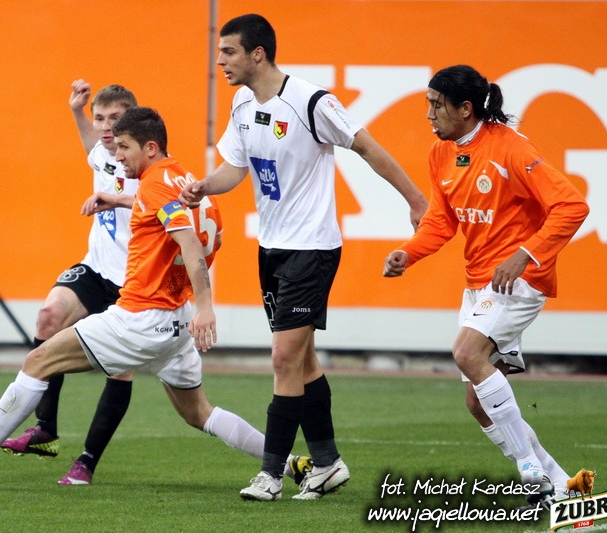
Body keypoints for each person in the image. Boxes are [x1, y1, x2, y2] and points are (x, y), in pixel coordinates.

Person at [0, 106, 310, 488]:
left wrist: (207, 307)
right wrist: (124, 204)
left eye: (124, 146)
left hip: (142, 317)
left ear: (150, 148)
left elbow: (189, 242)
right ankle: (288, 462)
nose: (118, 155)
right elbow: (212, 237)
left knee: (38, 360)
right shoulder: (187, 181)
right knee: (199, 413)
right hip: (176, 319)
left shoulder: (155, 185)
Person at [180, 14, 428, 501]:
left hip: (312, 248)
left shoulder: (312, 102)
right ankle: (328, 464)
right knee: (304, 360)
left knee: (283, 358)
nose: (219, 61)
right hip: (272, 248)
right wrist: (205, 186)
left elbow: (368, 148)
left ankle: (270, 475)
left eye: (228, 51)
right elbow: (235, 168)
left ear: (257, 54)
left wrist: (416, 201)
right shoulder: (242, 103)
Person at [383, 64, 589, 508]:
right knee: (477, 404)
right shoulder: (441, 153)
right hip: (480, 282)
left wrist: (524, 254)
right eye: (428, 104)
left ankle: (532, 474)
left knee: (466, 353)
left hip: (519, 278)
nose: (429, 114)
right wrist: (409, 252)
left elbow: (572, 206)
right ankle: (562, 484)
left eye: (436, 105)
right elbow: (441, 221)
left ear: (465, 108)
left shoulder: (510, 148)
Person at [0, 81, 139, 485]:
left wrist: (117, 199)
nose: (106, 126)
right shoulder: (104, 153)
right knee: (49, 316)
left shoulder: (148, 163)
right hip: (96, 268)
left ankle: (87, 462)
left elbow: (162, 202)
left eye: (115, 118)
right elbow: (92, 149)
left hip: (135, 281)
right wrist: (77, 111)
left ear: (132, 120)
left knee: (121, 370)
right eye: (100, 118)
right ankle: (45, 430)